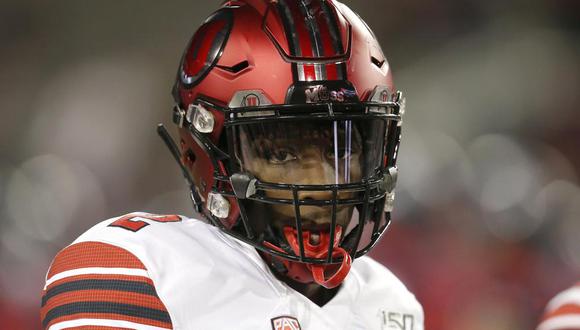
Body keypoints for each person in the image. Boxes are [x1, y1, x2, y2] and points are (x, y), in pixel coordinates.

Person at [40, 0, 424, 329]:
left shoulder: (392, 306)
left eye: (340, 152)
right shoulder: (139, 272)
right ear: (206, 151)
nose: (319, 181)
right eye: (283, 154)